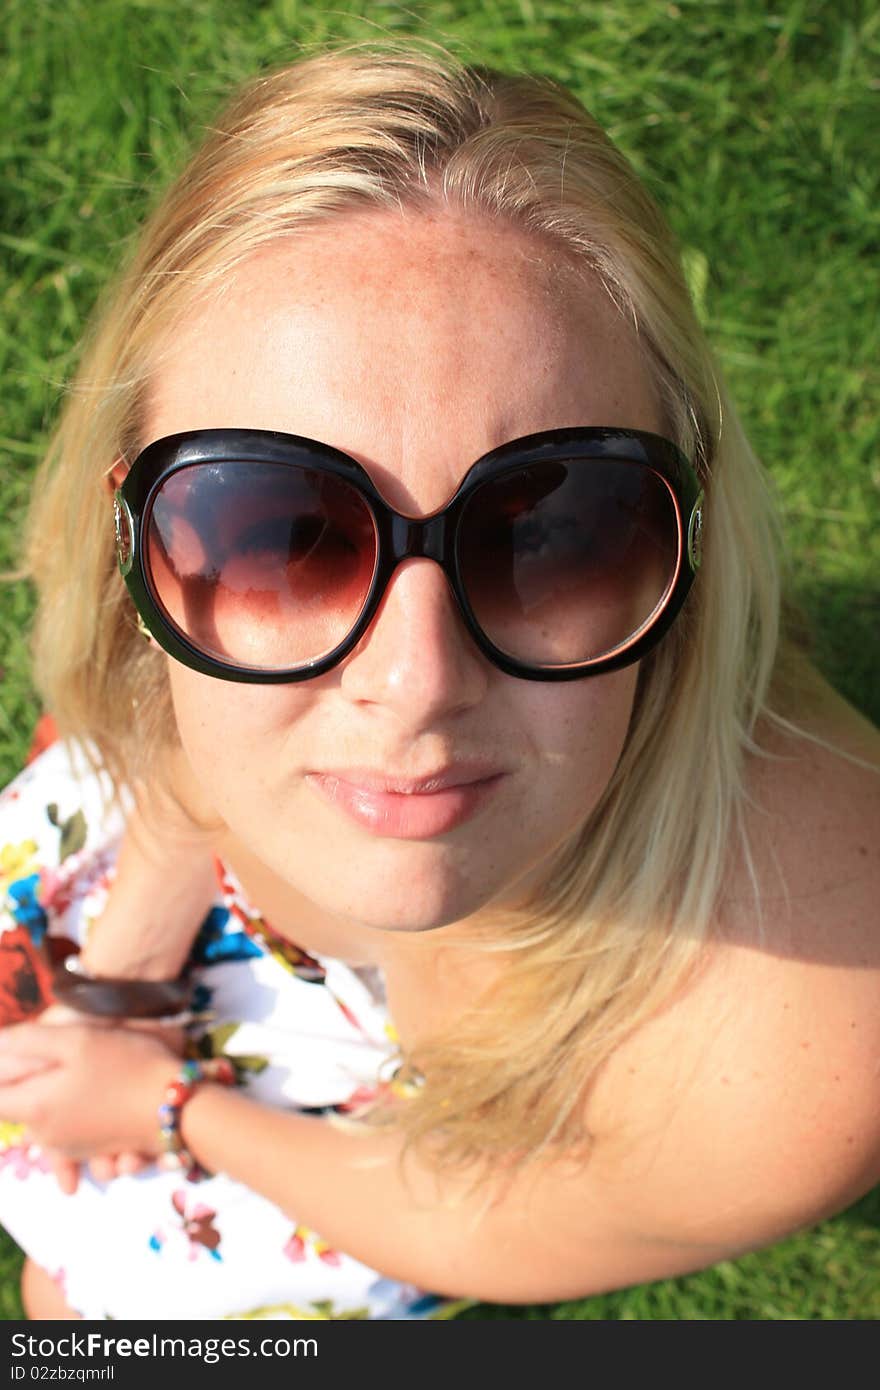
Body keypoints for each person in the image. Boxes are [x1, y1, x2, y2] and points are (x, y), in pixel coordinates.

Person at [0, 44, 877, 1322]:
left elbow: (477, 1220)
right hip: (193, 882)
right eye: (280, 530)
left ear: (689, 536)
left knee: (84, 1319)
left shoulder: (814, 1025)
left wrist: (170, 1106)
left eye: (552, 528)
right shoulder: (182, 626)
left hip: (397, 1147)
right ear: (131, 530)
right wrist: (128, 966)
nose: (413, 684)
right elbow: (181, 734)